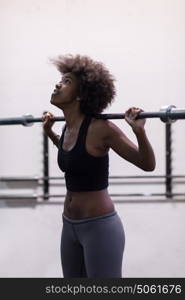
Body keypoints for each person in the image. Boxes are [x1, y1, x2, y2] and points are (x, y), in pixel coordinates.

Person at [42, 54, 156, 278]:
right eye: (61, 79)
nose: (58, 84)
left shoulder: (102, 129)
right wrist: (49, 133)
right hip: (69, 225)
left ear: (81, 95)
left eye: (67, 82)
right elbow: (73, 156)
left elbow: (147, 164)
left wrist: (139, 131)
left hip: (99, 228)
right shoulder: (67, 127)